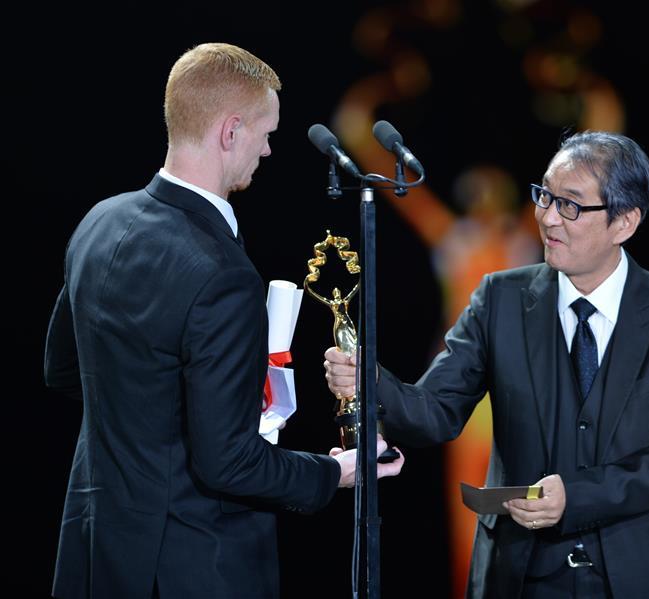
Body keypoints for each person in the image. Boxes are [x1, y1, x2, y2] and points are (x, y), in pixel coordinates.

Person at [44, 43, 403, 599]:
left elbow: (65, 371)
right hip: (191, 565)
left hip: (97, 555)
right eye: (266, 133)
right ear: (230, 130)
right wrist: (334, 474)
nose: (267, 150)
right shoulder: (220, 272)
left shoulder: (99, 222)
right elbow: (225, 463)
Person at [325, 131, 649, 598]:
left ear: (624, 223)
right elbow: (435, 408)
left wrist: (578, 497)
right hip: (522, 576)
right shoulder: (499, 299)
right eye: (544, 196)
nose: (548, 218)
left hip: (643, 573)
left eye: (570, 205)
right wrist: (373, 381)